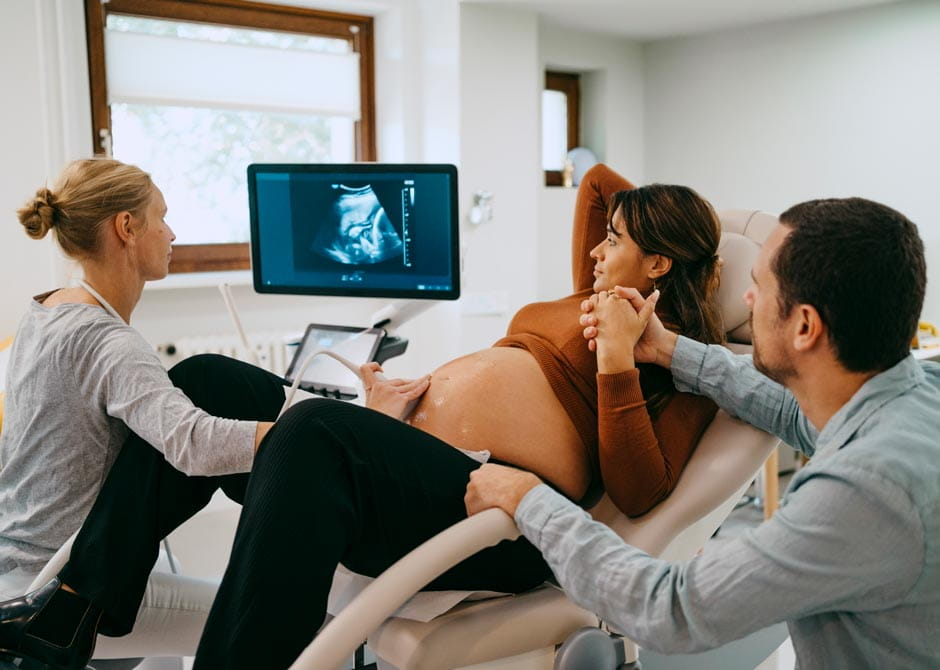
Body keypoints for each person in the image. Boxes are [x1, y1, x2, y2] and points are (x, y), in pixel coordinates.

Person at [2, 161, 723, 670]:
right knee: (202, 379)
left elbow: (638, 492)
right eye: (606, 234)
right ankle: (74, 607)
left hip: (496, 514)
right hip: (417, 470)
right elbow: (598, 186)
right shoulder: (581, 296)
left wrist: (624, 357)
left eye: (618, 240)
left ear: (658, 266)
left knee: (313, 430)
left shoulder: (672, 359)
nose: (597, 246)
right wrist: (649, 226)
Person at [466, 197, 940, 668]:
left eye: (758, 287)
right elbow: (796, 414)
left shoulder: (864, 491)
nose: (746, 299)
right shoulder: (914, 397)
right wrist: (667, 348)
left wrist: (529, 500)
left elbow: (671, 611)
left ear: (805, 326)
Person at [0, 158, 425, 670]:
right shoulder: (107, 342)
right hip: (55, 584)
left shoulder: (44, 312)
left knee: (208, 380)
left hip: (14, 561)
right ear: (127, 228)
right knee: (317, 631)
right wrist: (328, 438)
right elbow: (194, 445)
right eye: (162, 217)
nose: (172, 232)